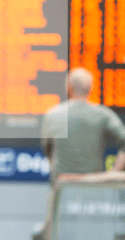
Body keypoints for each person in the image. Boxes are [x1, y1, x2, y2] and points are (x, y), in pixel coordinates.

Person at [38, 67, 125, 239]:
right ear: (91, 88)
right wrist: (113, 173)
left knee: (55, 233)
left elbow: (47, 150)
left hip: (61, 190)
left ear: (67, 87)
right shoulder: (102, 115)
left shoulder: (53, 115)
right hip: (93, 191)